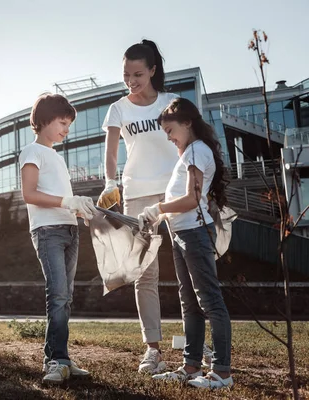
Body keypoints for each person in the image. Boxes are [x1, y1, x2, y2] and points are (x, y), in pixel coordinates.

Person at [98, 39, 179, 373]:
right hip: (137, 195)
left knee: (188, 265)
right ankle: (153, 349)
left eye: (138, 74)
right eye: (126, 74)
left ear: (153, 71)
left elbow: (188, 144)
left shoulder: (173, 103)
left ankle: (201, 342)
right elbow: (113, 151)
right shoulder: (119, 108)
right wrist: (109, 182)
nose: (131, 80)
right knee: (144, 273)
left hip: (175, 192)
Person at [141, 97, 233, 389]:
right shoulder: (189, 153)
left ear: (187, 123)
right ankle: (191, 366)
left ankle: (222, 373)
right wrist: (162, 216)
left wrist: (159, 208)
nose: (168, 138)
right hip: (181, 234)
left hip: (194, 233)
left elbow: (194, 199)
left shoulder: (196, 151)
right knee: (190, 304)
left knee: (210, 302)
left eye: (170, 131)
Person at [19, 93, 96, 385]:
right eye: (63, 122)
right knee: (58, 294)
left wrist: (80, 211)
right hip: (48, 231)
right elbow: (30, 195)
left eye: (68, 124)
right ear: (44, 120)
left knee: (66, 298)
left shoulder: (58, 158)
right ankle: (54, 360)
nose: (67, 129)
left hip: (69, 230)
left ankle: (60, 356)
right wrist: (67, 202)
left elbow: (63, 200)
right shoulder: (32, 151)